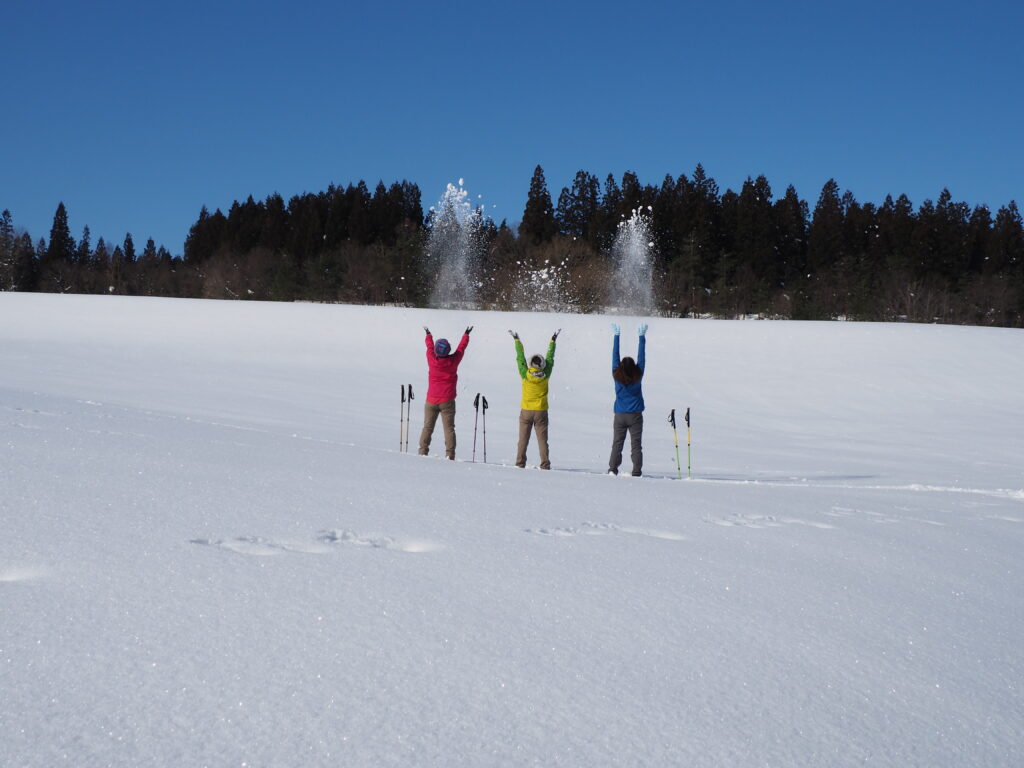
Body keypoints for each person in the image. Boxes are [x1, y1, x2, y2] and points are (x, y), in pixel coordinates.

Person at [509, 328, 560, 469]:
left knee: (523, 440)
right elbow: (550, 357)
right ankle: (545, 464)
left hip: (526, 410)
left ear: (530, 364)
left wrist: (517, 340)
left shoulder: (525, 374)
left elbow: (520, 357)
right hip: (541, 411)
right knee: (543, 441)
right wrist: (553, 340)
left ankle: (520, 463)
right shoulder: (546, 374)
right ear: (542, 365)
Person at [419, 325, 472, 459]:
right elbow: (461, 349)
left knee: (427, 428)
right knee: (449, 429)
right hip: (447, 400)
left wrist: (428, 334)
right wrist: (466, 335)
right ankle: (450, 455)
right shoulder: (453, 361)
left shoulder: (431, 359)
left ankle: (422, 452)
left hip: (431, 399)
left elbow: (429, 347)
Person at [608, 322, 647, 476]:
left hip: (619, 415)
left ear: (621, 367)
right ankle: (636, 471)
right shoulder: (638, 375)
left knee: (617, 444)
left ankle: (613, 469)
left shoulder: (616, 375)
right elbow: (642, 357)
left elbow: (614, 356)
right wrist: (642, 337)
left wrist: (616, 336)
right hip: (636, 415)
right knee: (636, 445)